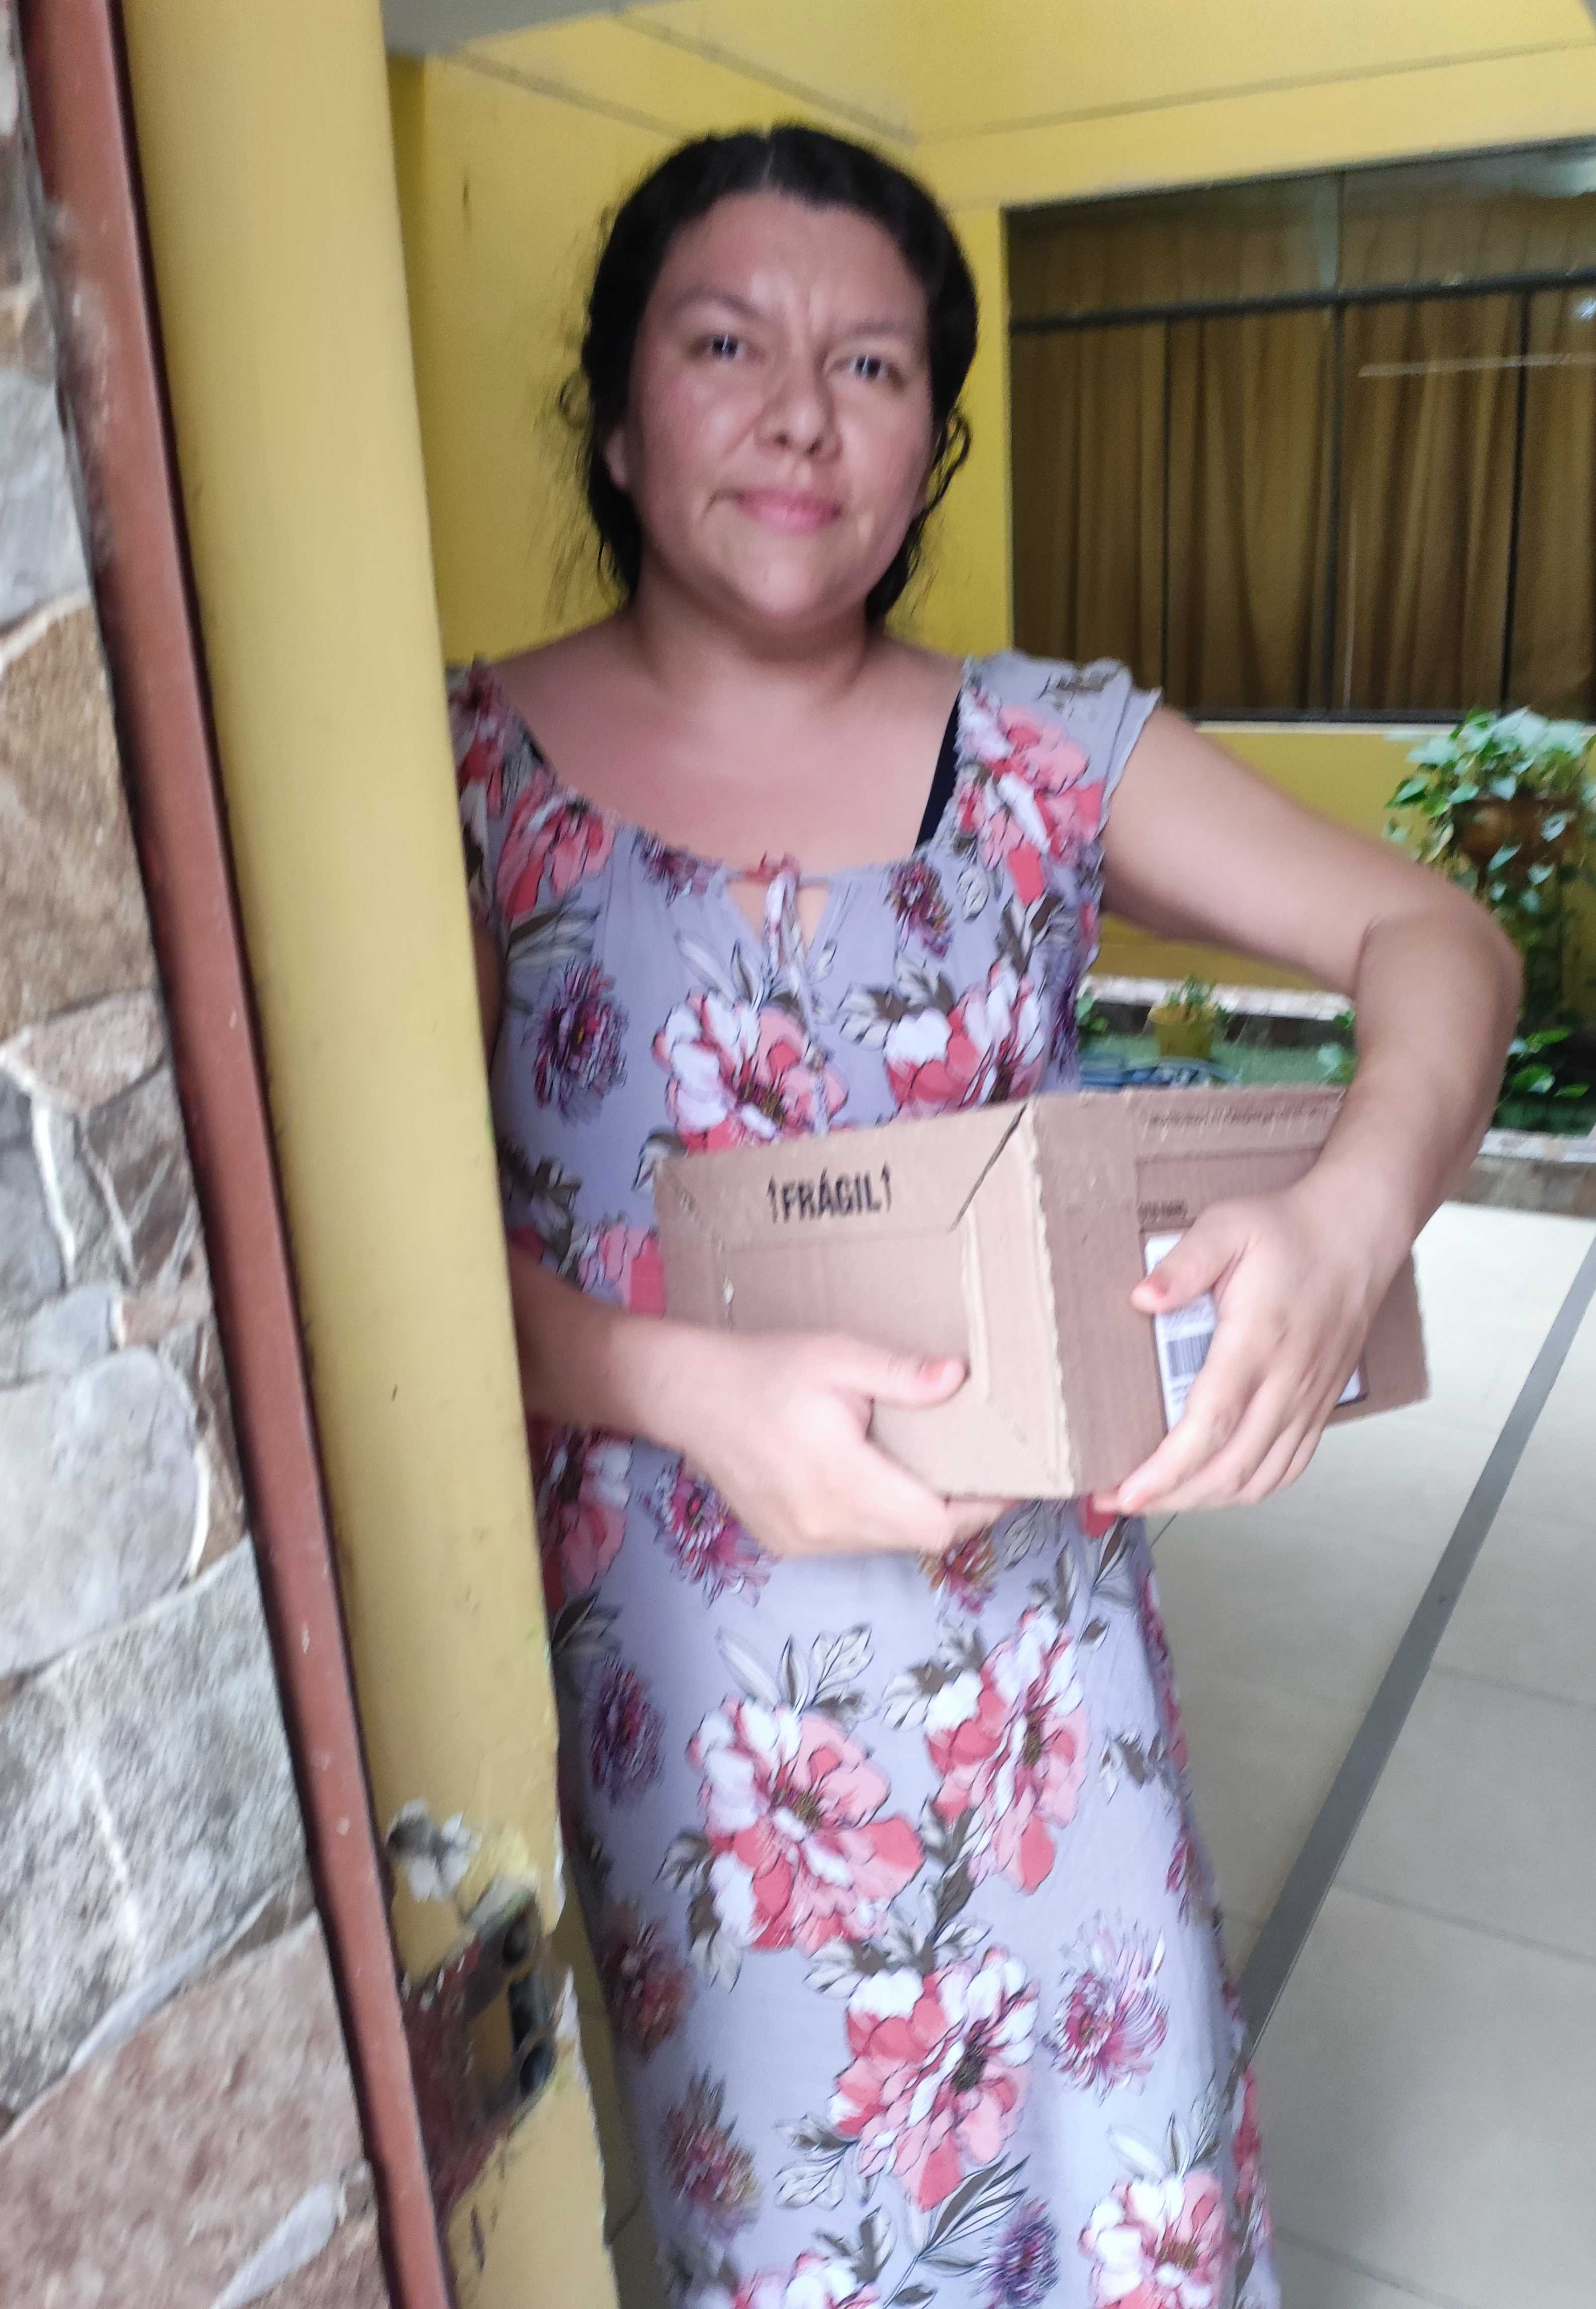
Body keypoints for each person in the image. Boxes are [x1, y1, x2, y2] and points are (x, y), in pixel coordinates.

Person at [450, 126, 1516, 2309]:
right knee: (804, 2238)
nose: (799, 413)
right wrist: (678, 1383)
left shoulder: (1044, 752)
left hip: (1047, 1686)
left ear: (927, 445)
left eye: (872, 365)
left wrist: (1345, 1221)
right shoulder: (465, 777)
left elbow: (1441, 942)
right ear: (619, 415)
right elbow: (378, 1263)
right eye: (726, 344)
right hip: (703, 1702)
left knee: (1130, 2206)